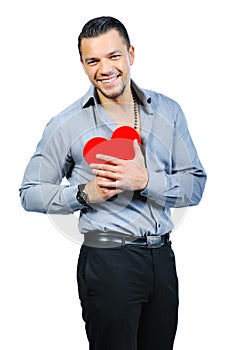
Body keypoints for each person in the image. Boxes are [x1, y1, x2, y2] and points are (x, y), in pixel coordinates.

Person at [19, 16, 207, 350]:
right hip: (108, 262)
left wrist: (146, 180)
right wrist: (83, 193)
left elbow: (195, 185)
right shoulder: (67, 124)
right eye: (93, 60)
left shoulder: (168, 111)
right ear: (82, 64)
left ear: (131, 54)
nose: (105, 68)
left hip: (162, 259)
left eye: (114, 56)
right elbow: (29, 193)